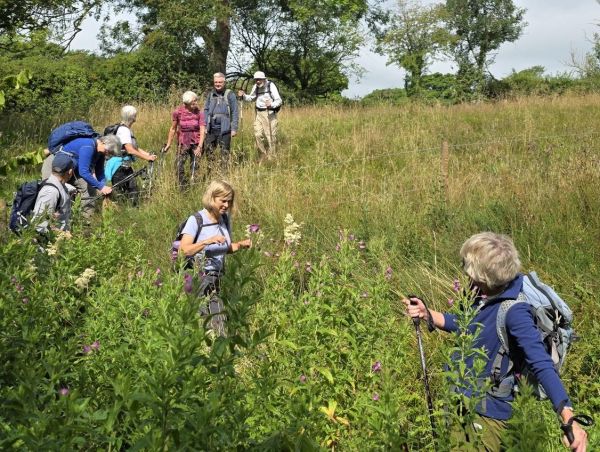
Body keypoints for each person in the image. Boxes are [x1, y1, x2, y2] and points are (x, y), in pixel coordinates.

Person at [403, 232, 588, 452]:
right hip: (465, 403)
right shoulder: (486, 293)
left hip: (487, 415)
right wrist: (428, 314)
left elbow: (541, 363)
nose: (465, 271)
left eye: (468, 267)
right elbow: (467, 324)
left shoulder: (515, 312)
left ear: (484, 276)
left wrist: (568, 417)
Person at [178, 180, 251, 335]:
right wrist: (206, 241)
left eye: (229, 201)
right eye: (222, 200)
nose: (226, 205)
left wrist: (242, 244)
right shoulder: (196, 220)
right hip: (197, 278)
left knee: (218, 323)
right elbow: (184, 251)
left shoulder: (224, 220)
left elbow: (225, 248)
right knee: (197, 323)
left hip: (216, 278)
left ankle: (216, 352)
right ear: (212, 198)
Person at [41, 134, 122, 217]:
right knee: (53, 190)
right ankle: (45, 217)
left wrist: (102, 185)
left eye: (110, 153)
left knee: (89, 189)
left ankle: (87, 219)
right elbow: (84, 172)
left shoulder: (100, 152)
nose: (108, 153)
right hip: (55, 165)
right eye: (108, 151)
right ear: (103, 142)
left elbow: (100, 171)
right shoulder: (88, 146)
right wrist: (101, 187)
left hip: (72, 170)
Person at [106, 105, 157, 204]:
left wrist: (148, 155)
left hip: (125, 166)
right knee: (122, 193)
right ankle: (122, 212)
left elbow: (134, 148)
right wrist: (147, 158)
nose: (136, 117)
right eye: (135, 115)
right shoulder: (124, 130)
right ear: (132, 116)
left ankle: (132, 210)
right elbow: (130, 150)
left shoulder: (125, 129)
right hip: (119, 167)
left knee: (133, 190)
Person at [165, 91, 205, 189]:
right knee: (178, 165)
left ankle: (194, 186)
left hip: (196, 142)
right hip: (183, 142)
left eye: (196, 100)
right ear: (186, 103)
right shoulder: (177, 112)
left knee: (195, 165)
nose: (196, 103)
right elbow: (173, 128)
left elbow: (202, 130)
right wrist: (168, 143)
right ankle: (183, 187)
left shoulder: (200, 113)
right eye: (193, 101)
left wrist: (200, 146)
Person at [238, 71, 282, 161]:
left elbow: (279, 100)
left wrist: (271, 104)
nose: (258, 81)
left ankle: (272, 157)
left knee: (270, 136)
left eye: (259, 79)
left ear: (264, 79)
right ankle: (263, 154)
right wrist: (243, 96)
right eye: (256, 80)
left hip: (269, 113)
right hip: (258, 114)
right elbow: (251, 98)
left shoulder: (271, 85)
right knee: (257, 134)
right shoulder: (256, 87)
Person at [32, 153, 75, 234]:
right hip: (48, 243)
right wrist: (63, 235)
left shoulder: (60, 186)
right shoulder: (51, 192)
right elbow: (39, 225)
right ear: (70, 172)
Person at [204, 73, 239, 171]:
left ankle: (224, 173)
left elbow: (235, 111)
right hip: (211, 128)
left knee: (225, 152)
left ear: (224, 82)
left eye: (220, 82)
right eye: (216, 82)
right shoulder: (210, 94)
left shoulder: (230, 94)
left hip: (225, 129)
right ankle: (211, 171)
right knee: (209, 151)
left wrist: (234, 128)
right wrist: (205, 125)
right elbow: (206, 110)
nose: (218, 84)